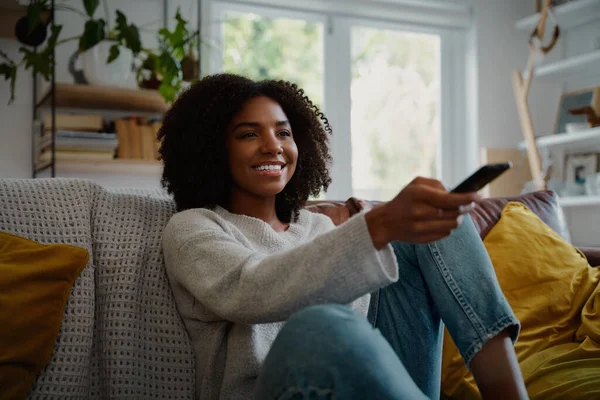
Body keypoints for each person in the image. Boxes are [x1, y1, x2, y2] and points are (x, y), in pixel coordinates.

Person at [159, 73, 529, 400]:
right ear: (211, 149)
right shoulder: (195, 227)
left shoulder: (316, 228)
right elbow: (251, 288)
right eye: (248, 134)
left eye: (283, 132)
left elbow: (362, 325)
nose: (273, 145)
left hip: (364, 380)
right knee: (322, 323)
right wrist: (376, 225)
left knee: (444, 224)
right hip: (276, 389)